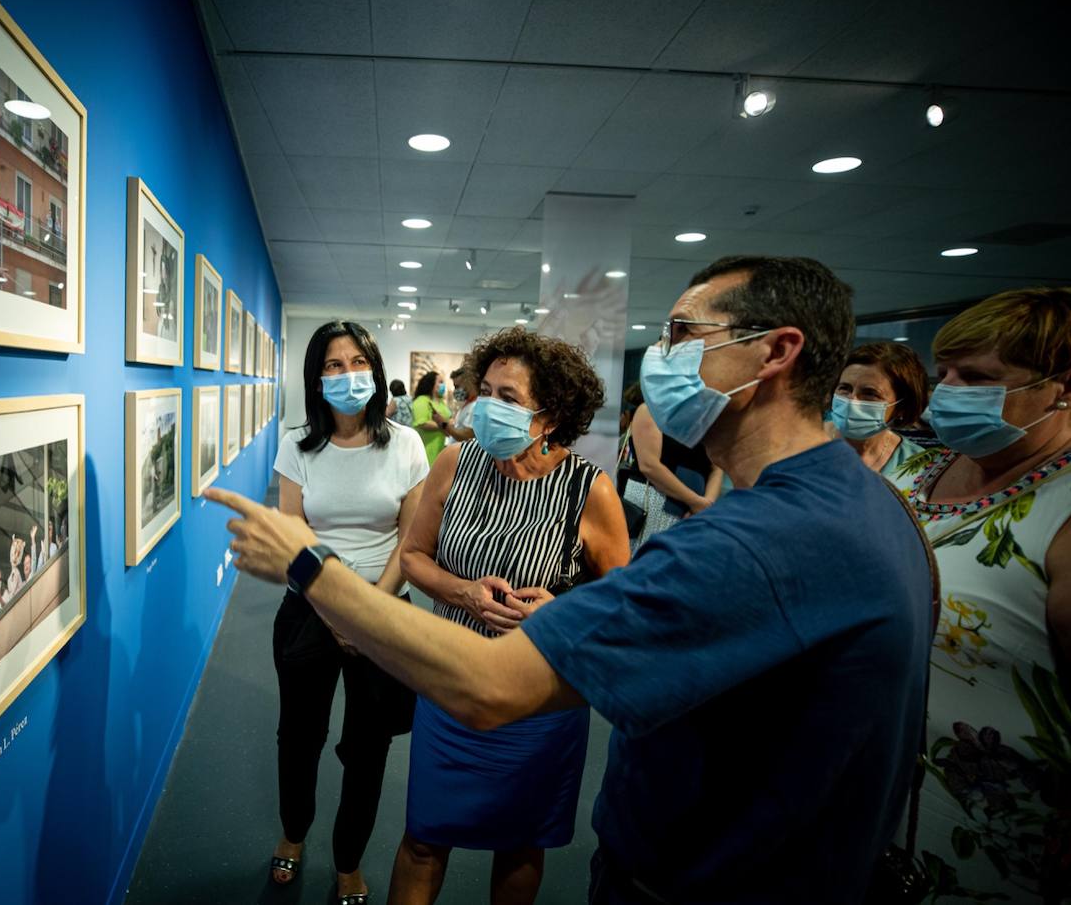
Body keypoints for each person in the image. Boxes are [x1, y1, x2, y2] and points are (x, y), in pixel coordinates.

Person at [209, 255, 934, 904]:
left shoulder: (750, 543)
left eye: (682, 335)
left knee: (513, 842)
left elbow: (492, 686)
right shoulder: (873, 505)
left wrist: (307, 563)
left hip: (712, 875)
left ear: (776, 352)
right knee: (417, 831)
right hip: (740, 861)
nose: (660, 356)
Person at [390, 327, 629, 904]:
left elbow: (621, 604)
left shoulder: (588, 490)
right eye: (485, 390)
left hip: (539, 699)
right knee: (423, 838)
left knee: (522, 844)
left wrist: (561, 611)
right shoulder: (454, 462)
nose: (486, 407)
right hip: (450, 679)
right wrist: (464, 592)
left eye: (508, 398)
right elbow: (415, 558)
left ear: (550, 417)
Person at [885, 287, 1071, 903]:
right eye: (945, 374)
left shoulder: (1061, 512)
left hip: (1008, 834)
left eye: (980, 377)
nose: (949, 392)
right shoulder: (914, 476)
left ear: (1062, 387)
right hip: (879, 801)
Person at [269, 321, 429, 905]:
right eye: (332, 365)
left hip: (385, 611)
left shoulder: (406, 444)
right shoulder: (297, 443)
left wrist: (368, 611)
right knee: (299, 736)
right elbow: (293, 530)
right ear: (316, 378)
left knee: (369, 750)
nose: (347, 374)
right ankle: (292, 833)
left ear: (376, 369)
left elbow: (410, 541)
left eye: (357, 361)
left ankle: (348, 862)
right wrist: (335, 609)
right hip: (311, 607)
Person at [622, 402, 723, 551]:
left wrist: (706, 505)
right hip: (653, 503)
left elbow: (717, 467)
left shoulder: (705, 418)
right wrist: (695, 502)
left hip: (696, 512)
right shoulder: (650, 410)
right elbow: (649, 465)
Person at [829, 342, 930, 476]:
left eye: (870, 393)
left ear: (901, 407)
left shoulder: (917, 466)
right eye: (844, 388)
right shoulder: (801, 445)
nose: (851, 400)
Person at [411, 372, 452, 464]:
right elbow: (423, 423)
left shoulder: (441, 403)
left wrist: (446, 424)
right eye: (440, 382)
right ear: (431, 383)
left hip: (440, 451)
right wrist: (446, 425)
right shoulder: (421, 400)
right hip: (425, 453)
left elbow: (451, 419)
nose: (443, 385)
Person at [445, 365, 477, 442]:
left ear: (470, 383)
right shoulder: (468, 403)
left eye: (457, 386)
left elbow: (466, 436)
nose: (455, 390)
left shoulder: (476, 405)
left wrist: (444, 424)